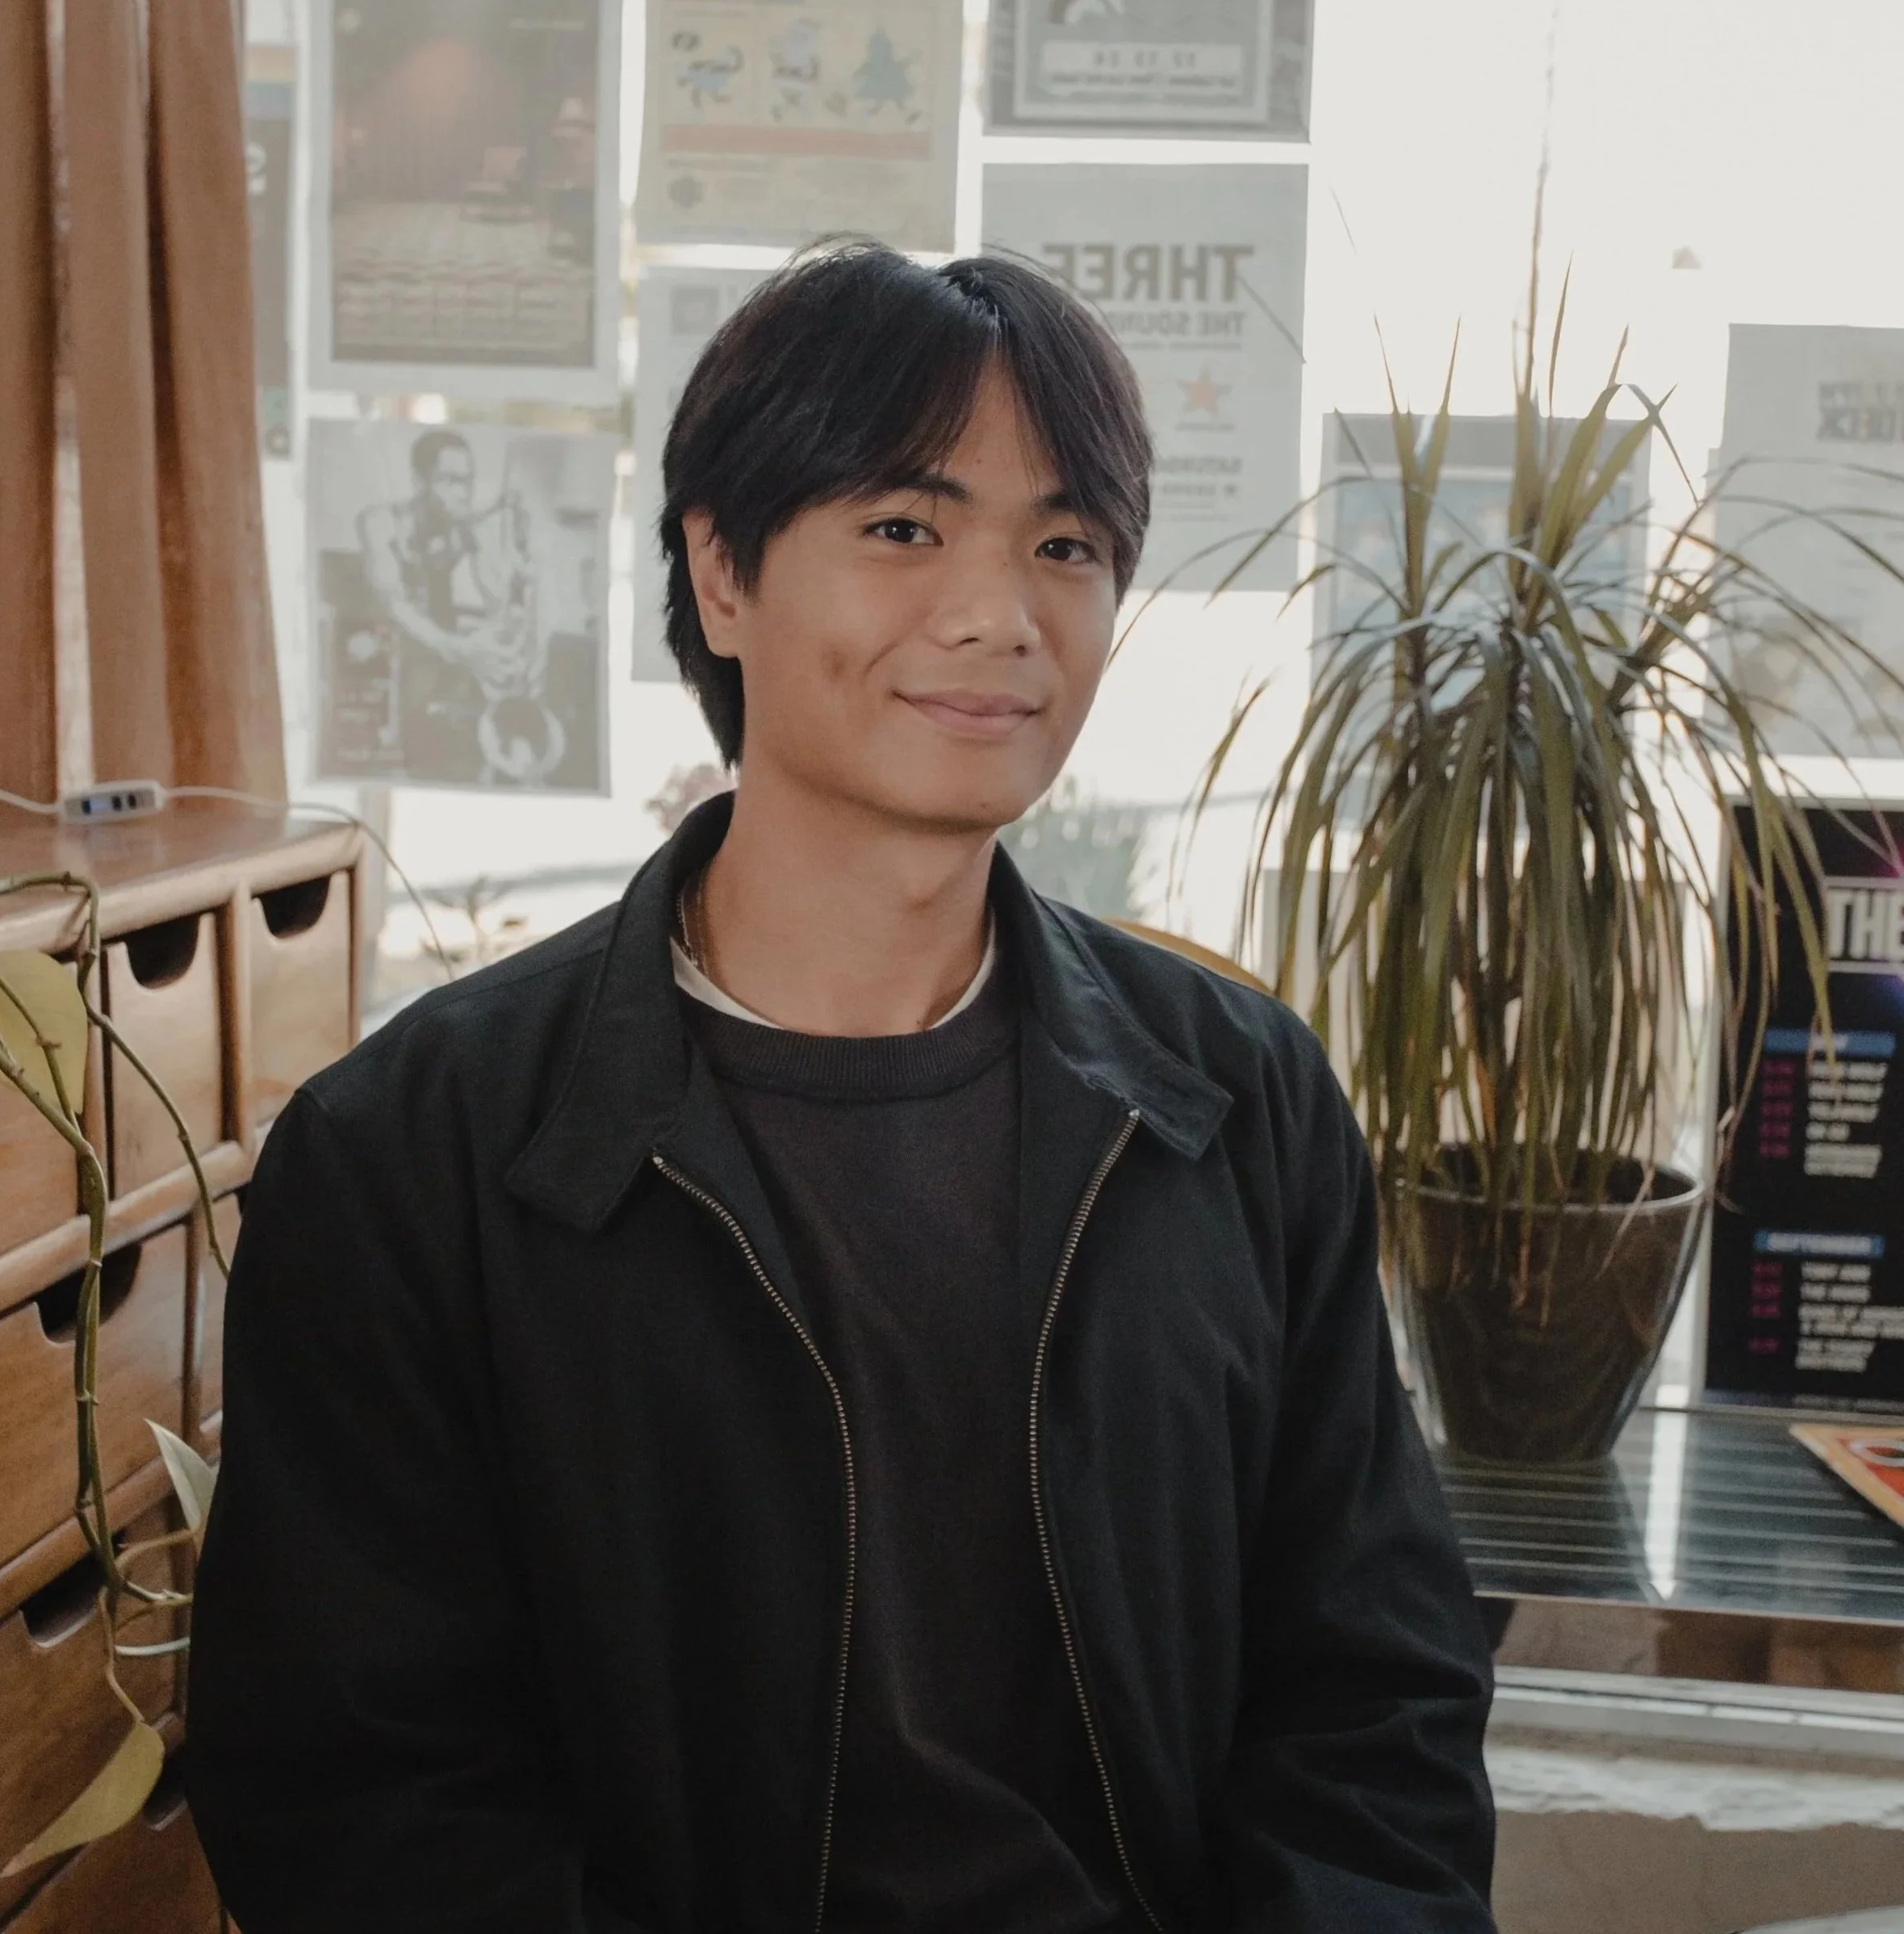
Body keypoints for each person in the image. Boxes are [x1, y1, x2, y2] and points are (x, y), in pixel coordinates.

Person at [188, 243, 1496, 1932]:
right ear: (721, 571)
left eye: (1065, 547)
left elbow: (1376, 1699)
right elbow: (362, 1801)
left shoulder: (1239, 1103)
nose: (996, 613)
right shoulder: (409, 1159)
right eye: (902, 528)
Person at [356, 427, 551, 783]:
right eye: (449, 481)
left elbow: (499, 604)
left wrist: (518, 554)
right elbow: (394, 604)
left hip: (447, 665)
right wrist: (461, 650)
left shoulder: (464, 528)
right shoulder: (379, 523)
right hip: (387, 660)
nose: (462, 494)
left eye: (468, 481)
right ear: (419, 481)